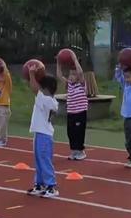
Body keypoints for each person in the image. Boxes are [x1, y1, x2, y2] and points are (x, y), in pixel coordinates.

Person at [27, 65, 59, 198]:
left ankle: (51, 186)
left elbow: (34, 89)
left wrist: (31, 74)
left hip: (44, 136)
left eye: (41, 87)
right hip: (40, 134)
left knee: (44, 160)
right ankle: (39, 184)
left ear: (45, 89)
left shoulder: (46, 100)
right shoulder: (49, 100)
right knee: (39, 160)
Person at [57, 53, 88, 160]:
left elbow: (80, 72)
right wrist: (58, 63)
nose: (71, 76)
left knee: (79, 132)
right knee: (71, 132)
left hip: (80, 112)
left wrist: (75, 59)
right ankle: (74, 151)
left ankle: (81, 151)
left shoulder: (82, 84)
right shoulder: (69, 84)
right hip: (71, 112)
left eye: (74, 75)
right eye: (70, 74)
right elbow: (59, 75)